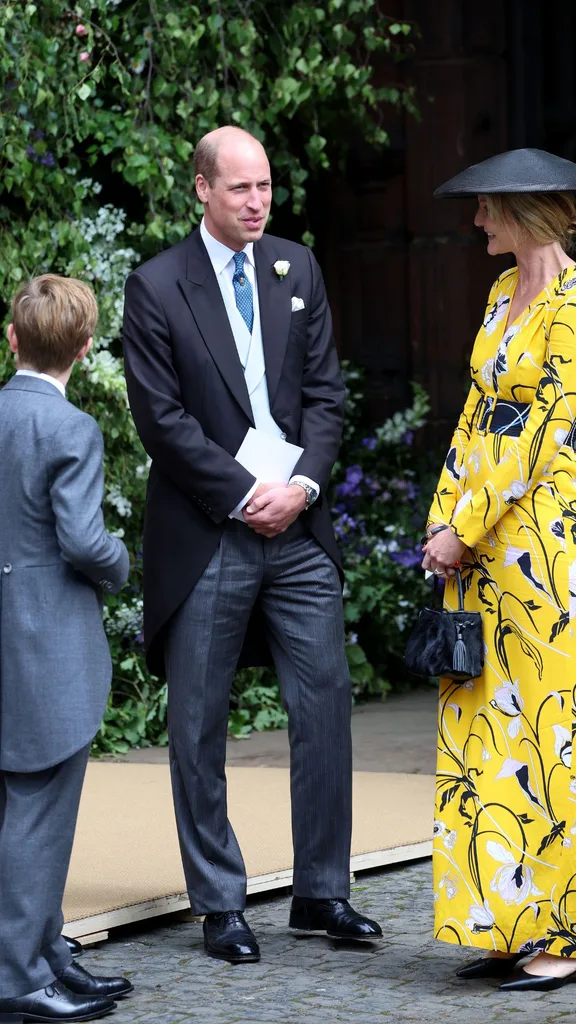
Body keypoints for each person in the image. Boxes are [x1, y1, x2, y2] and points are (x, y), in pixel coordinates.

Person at [122, 125, 382, 964]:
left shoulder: (295, 267)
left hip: (298, 526)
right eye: (240, 188)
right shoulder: (157, 286)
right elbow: (161, 421)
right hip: (209, 530)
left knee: (325, 700)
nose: (258, 202)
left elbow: (327, 396)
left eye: (265, 186)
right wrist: (243, 495)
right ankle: (219, 902)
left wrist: (299, 486)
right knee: (197, 721)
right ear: (201, 188)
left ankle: (322, 892)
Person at [423, 149, 576, 993]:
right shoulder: (496, 298)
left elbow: (540, 433)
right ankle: (509, 921)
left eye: (487, 208)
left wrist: (469, 526)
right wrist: (442, 519)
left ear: (524, 212)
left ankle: (564, 932)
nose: (478, 221)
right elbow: (476, 416)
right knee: (491, 730)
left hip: (544, 550)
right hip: (479, 551)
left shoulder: (572, 304)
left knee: (549, 734)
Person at [0, 275, 132, 1021]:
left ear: (12, 338)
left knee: (14, 812)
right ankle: (19, 979)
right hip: (47, 645)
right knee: (40, 817)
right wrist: (119, 561)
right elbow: (83, 541)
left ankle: (47, 954)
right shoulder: (71, 429)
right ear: (85, 348)